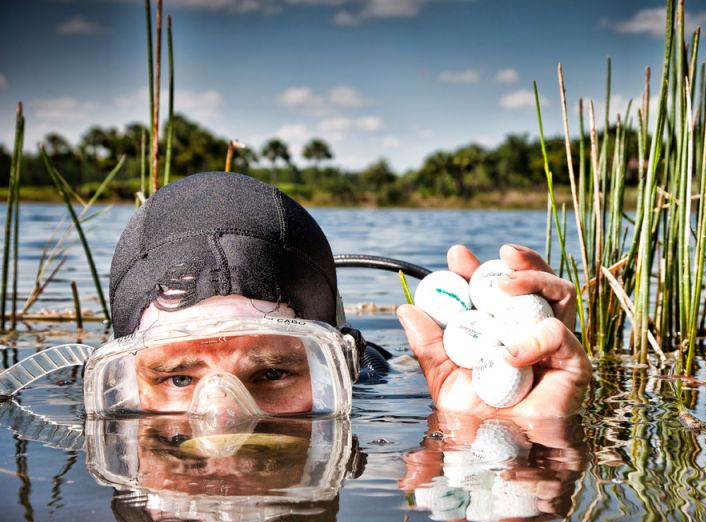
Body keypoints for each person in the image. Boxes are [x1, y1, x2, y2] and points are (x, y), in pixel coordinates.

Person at [85, 171, 588, 421]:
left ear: (342, 368)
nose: (222, 419)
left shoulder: (390, 380)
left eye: (274, 373)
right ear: (120, 382)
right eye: (176, 377)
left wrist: (506, 431)